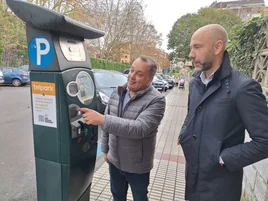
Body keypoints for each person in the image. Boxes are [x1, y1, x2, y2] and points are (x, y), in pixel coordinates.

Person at [178, 24, 268, 201]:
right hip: (193, 179)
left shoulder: (243, 88)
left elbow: (265, 141)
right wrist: (184, 132)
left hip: (220, 188)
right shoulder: (196, 82)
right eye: (191, 48)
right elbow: (192, 113)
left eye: (197, 47)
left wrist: (223, 158)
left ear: (217, 47)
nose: (191, 54)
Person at [79, 56, 166, 201]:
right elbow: (107, 126)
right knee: (117, 196)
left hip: (137, 165)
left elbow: (140, 128)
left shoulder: (156, 100)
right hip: (115, 161)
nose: (132, 76)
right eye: (131, 70)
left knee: (140, 197)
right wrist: (105, 149)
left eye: (139, 74)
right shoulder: (118, 92)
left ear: (150, 79)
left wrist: (102, 119)